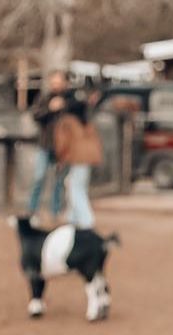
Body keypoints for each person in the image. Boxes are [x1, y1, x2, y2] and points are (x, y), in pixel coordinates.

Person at [27, 70, 80, 224]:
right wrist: (50, 109)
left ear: (65, 83)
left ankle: (55, 213)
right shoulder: (44, 98)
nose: (56, 85)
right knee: (39, 177)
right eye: (53, 82)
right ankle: (32, 211)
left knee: (59, 182)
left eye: (59, 82)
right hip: (45, 145)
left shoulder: (70, 100)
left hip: (63, 149)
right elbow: (35, 115)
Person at [53, 85, 103, 229]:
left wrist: (60, 159)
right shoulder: (86, 122)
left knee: (75, 187)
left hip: (77, 158)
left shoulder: (66, 122)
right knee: (76, 185)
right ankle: (73, 218)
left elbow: (62, 143)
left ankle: (86, 220)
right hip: (88, 158)